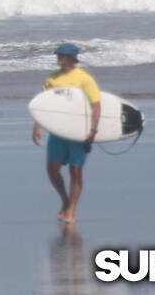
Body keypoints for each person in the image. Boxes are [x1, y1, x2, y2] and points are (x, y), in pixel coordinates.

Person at [32, 43, 101, 224]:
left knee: (75, 171)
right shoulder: (52, 79)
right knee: (52, 169)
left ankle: (71, 210)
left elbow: (96, 105)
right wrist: (37, 126)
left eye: (62, 55)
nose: (59, 58)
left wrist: (93, 129)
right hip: (57, 130)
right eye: (58, 55)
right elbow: (42, 104)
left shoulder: (84, 79)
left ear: (72, 58)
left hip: (79, 131)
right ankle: (65, 200)